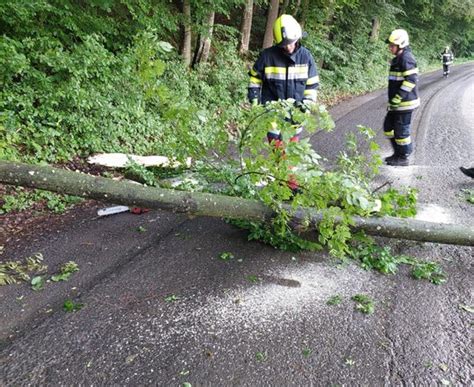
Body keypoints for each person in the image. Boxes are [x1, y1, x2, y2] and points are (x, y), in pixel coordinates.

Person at [248, 14, 319, 191]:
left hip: (296, 115)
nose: (288, 47)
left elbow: (312, 84)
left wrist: (307, 105)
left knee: (292, 153)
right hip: (272, 114)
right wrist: (255, 103)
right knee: (279, 152)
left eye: (291, 42)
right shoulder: (267, 56)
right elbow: (255, 79)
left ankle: (286, 184)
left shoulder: (306, 57)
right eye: (284, 44)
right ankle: (290, 185)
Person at [383, 29, 420, 167]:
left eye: (392, 45)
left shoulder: (406, 58)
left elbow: (411, 80)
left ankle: (403, 156)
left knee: (401, 131)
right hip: (396, 103)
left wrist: (398, 97)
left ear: (401, 45)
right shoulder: (398, 59)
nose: (390, 47)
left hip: (405, 103)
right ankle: (397, 153)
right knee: (388, 127)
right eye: (390, 45)